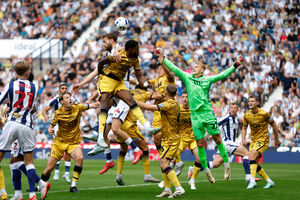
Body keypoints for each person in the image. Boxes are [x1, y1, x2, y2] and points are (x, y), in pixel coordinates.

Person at [156, 50, 245, 182]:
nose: (193, 68)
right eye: (193, 66)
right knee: (200, 143)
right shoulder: (187, 77)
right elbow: (175, 68)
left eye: (196, 67)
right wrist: (163, 59)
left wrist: (236, 64)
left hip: (208, 114)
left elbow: (222, 75)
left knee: (218, 139)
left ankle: (227, 166)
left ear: (202, 70)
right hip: (195, 116)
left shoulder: (207, 79)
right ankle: (207, 171)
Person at [0, 61, 50, 200]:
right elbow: (31, 107)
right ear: (28, 72)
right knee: (29, 161)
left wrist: (8, 106)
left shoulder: (10, 85)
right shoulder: (35, 86)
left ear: (16, 72)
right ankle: (33, 195)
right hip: (27, 125)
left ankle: (3, 192)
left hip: (12, 123)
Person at [40, 92, 100, 193]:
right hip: (59, 143)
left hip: (72, 143)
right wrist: (50, 130)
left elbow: (93, 105)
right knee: (49, 169)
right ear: (62, 102)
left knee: (80, 157)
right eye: (67, 98)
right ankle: (40, 185)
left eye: (70, 97)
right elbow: (51, 126)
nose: (70, 99)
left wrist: (102, 101)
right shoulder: (58, 113)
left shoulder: (78, 107)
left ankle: (73, 186)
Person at [137, 84, 185, 198]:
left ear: (167, 93)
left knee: (165, 164)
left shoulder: (168, 104)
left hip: (171, 139)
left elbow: (150, 108)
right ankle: (167, 189)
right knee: (163, 164)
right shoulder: (176, 103)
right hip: (170, 137)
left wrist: (134, 102)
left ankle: (179, 188)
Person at [195, 102, 260, 182]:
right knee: (247, 154)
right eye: (231, 107)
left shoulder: (237, 118)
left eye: (234, 108)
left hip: (227, 145)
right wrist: (211, 133)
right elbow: (216, 124)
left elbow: (239, 128)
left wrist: (241, 123)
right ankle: (248, 177)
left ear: (237, 109)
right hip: (228, 143)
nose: (233, 109)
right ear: (229, 109)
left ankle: (195, 169)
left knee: (216, 164)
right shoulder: (226, 117)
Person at [115, 85, 161, 185]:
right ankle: (147, 175)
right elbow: (158, 96)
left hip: (119, 125)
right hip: (130, 126)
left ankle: (119, 174)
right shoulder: (143, 93)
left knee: (123, 150)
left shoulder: (128, 92)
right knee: (145, 148)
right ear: (144, 88)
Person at [242, 95, 281, 189]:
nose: (250, 103)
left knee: (251, 156)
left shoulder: (264, 113)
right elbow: (244, 127)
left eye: (252, 101)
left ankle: (252, 181)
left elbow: (274, 125)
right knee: (254, 162)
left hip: (263, 139)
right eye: (249, 101)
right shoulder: (247, 115)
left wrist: (276, 139)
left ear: (257, 103)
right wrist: (243, 138)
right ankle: (269, 181)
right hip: (253, 140)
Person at [42, 83, 72, 183]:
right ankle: (56, 171)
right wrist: (45, 116)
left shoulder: (70, 99)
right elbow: (45, 109)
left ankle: (66, 173)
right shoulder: (55, 99)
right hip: (59, 126)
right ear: (59, 90)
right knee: (59, 148)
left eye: (65, 88)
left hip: (69, 126)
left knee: (68, 149)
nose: (64, 90)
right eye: (62, 88)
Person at [146, 64, 174, 154]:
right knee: (156, 139)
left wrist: (148, 96)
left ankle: (175, 159)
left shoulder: (168, 78)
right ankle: (162, 156)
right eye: (157, 69)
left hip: (168, 109)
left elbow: (170, 74)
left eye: (161, 68)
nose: (158, 70)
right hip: (158, 110)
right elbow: (145, 84)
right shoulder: (156, 80)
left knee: (168, 136)